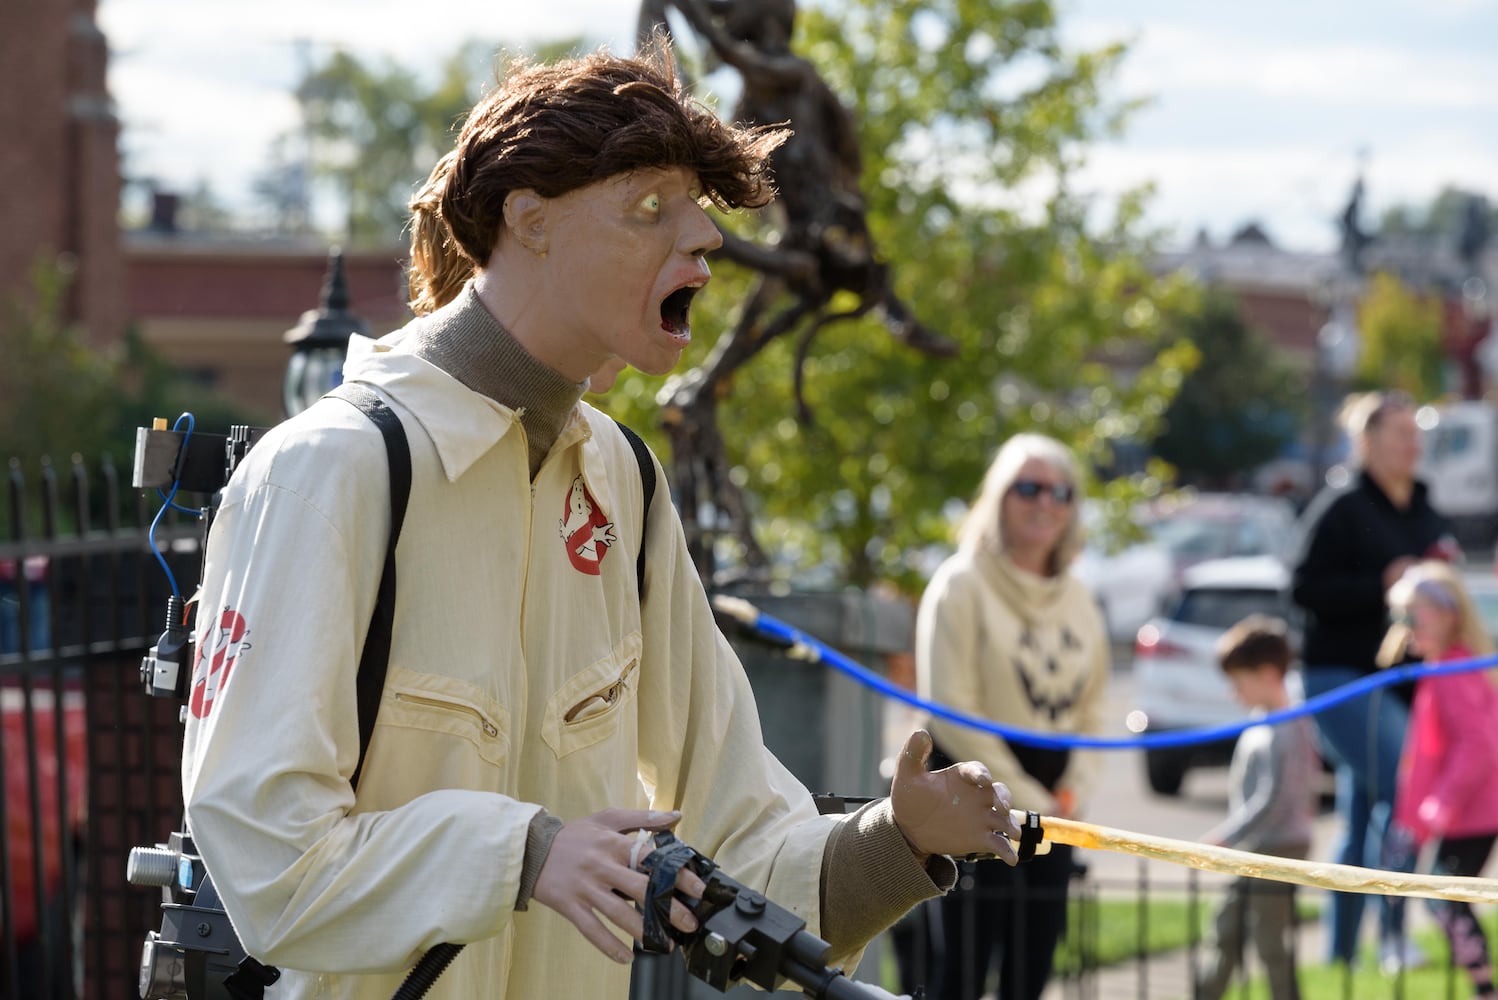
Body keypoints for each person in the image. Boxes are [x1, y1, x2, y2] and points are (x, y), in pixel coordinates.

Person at [179, 46, 1024, 1000]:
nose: (704, 237)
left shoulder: (625, 479)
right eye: (650, 208)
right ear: (527, 220)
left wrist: (894, 843)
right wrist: (525, 853)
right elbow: (265, 858)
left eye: (697, 209)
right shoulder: (325, 471)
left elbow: (735, 817)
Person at [914, 433, 1108, 1000]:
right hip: (972, 795)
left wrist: (1070, 793)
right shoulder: (960, 583)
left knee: (1033, 971)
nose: (1045, 502)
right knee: (960, 971)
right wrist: (1023, 796)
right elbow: (951, 708)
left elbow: (1094, 710)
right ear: (999, 497)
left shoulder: (1082, 598)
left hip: (1054, 809)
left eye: (1060, 491)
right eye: (1028, 488)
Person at [1290, 389, 1458, 970]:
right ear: (1367, 442)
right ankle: (1391, 938)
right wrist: (1381, 584)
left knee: (1364, 815)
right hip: (1342, 679)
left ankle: (1340, 956)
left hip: (1407, 684)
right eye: (1399, 433)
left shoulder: (1425, 507)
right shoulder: (1341, 507)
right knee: (1406, 793)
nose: (1413, 444)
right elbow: (1303, 589)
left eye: (1416, 432)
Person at [1377, 561, 1498, 998]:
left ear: (1449, 614)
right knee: (1444, 899)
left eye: (1414, 614)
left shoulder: (1453, 669)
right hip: (1464, 812)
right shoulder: (1442, 666)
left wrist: (1439, 804)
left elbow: (1478, 744)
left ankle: (1486, 989)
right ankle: (1483, 986)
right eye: (1400, 616)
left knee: (1444, 900)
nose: (1404, 626)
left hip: (1473, 813)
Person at [1195, 615, 1319, 1000]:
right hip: (1254, 846)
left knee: (1270, 942)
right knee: (1225, 930)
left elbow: (1274, 797)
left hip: (1279, 847)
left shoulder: (1289, 726)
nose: (1235, 693)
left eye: (1239, 682)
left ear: (1266, 674)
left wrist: (1227, 834)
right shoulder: (1261, 721)